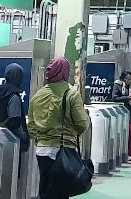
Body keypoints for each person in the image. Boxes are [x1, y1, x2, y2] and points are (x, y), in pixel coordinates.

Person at [27, 57, 91, 199]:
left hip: (42, 150)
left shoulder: (37, 95)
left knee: (45, 189)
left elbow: (30, 124)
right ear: (65, 72)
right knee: (61, 191)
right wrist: (73, 132)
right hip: (63, 150)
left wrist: (40, 137)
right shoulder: (71, 94)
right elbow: (82, 123)